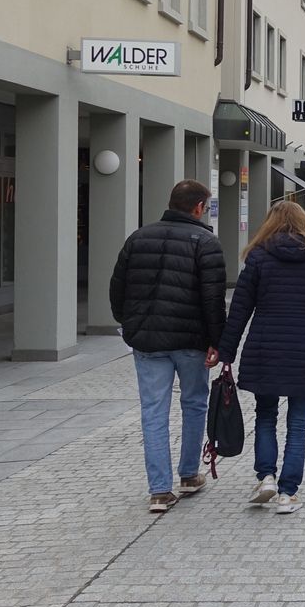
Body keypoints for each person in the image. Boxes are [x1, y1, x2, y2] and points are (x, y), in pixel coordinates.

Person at [217, 200, 305, 515]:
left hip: (265, 350)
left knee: (265, 417)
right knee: (298, 423)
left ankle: (266, 476)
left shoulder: (258, 258)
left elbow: (239, 309)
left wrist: (226, 352)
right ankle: (287, 493)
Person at [109, 180, 228, 513]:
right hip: (191, 342)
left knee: (153, 410)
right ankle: (189, 474)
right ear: (199, 207)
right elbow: (212, 299)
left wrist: (129, 324)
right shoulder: (207, 242)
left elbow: (117, 288)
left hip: (147, 340)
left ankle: (159, 491)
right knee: (194, 404)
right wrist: (217, 341)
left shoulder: (138, 238)